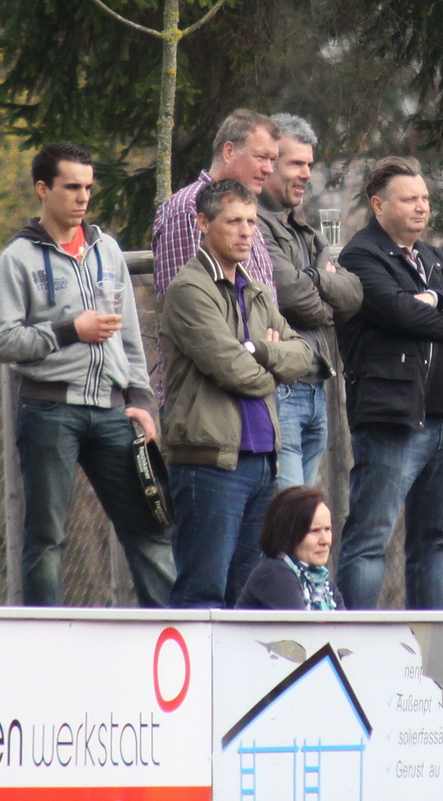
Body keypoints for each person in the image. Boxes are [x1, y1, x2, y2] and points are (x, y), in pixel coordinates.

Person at [0, 141, 175, 607]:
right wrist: (70, 330)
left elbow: (131, 336)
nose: (83, 197)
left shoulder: (107, 251)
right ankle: (44, 638)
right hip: (48, 410)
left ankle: (173, 632)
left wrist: (142, 401)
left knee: (149, 530)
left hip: (113, 412)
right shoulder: (17, 259)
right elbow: (0, 341)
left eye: (88, 187)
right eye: (71, 187)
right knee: (46, 537)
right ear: (42, 189)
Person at [334, 156, 443, 609]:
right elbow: (400, 312)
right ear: (379, 205)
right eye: (409, 199)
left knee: (436, 542)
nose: (422, 207)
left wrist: (438, 299)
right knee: (371, 538)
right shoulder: (360, 257)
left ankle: (427, 642)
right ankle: (353, 640)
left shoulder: (432, 258)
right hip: (394, 419)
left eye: (425, 198)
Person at [159, 179, 312, 608]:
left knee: (247, 598)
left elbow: (304, 354)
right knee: (203, 594)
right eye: (233, 222)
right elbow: (235, 371)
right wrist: (272, 370)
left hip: (263, 462)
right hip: (210, 463)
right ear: (202, 222)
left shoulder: (256, 291)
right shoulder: (189, 290)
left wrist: (259, 350)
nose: (246, 232)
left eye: (251, 222)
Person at [257, 114, 362, 489]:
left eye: (309, 165)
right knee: (286, 510)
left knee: (303, 512)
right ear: (270, 163)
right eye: (295, 164)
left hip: (318, 390)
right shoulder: (254, 225)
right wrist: (325, 294)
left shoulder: (306, 232)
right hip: (281, 388)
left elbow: (353, 295)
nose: (306, 174)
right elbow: (294, 298)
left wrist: (314, 279)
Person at [151, 110, 282, 405]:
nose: (269, 169)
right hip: (205, 400)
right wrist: (266, 356)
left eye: (273, 160)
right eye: (261, 157)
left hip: (255, 388)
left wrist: (271, 356)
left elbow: (270, 315)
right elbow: (191, 318)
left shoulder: (247, 212)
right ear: (229, 151)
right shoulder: (189, 209)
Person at [235, 486, 343, 610]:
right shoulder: (275, 573)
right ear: (289, 533)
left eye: (327, 529)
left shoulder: (324, 583)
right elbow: (300, 623)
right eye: (314, 531)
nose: (325, 541)